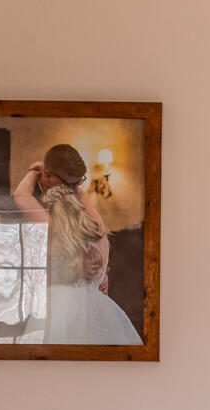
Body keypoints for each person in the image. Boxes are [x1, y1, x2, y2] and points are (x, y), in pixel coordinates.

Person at [12, 144, 140, 346]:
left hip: (59, 307)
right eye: (73, 184)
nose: (75, 188)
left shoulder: (51, 225)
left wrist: (33, 171)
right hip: (96, 307)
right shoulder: (96, 227)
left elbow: (21, 195)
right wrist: (100, 274)